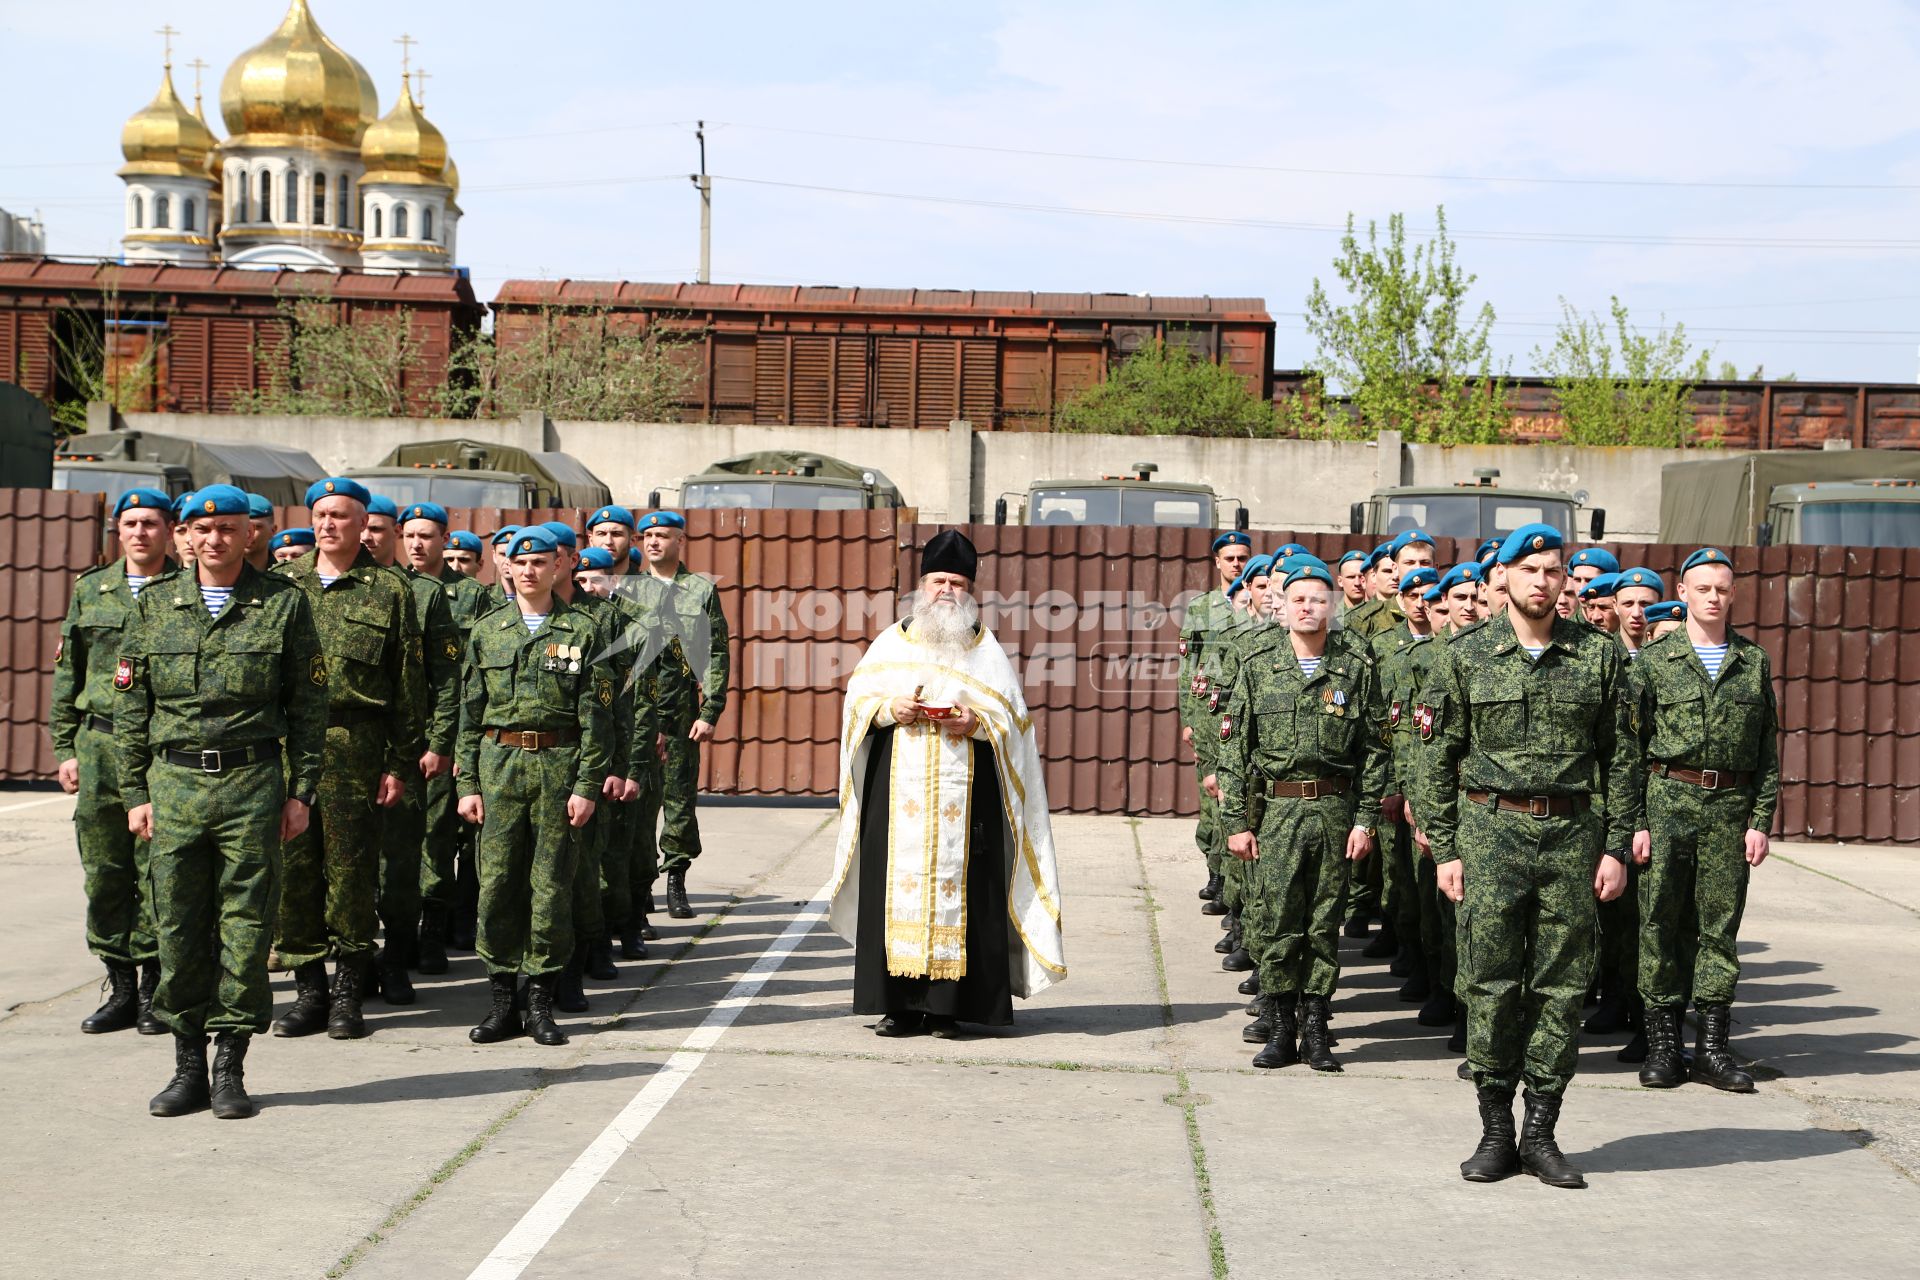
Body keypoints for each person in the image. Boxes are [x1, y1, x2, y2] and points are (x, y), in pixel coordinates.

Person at [1420, 522, 1633, 1190]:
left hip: (1571, 838)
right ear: (1504, 577)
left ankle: (1540, 1131)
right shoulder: (1466, 654)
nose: (1543, 580)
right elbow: (1436, 757)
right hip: (1488, 834)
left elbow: (1622, 758)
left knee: (1561, 988)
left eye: (1553, 570)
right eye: (1531, 569)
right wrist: (1445, 850)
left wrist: (1617, 847)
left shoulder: (1598, 657)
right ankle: (1494, 1131)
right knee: (1488, 982)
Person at [118, 484, 326, 1119]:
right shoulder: (153, 607)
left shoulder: (284, 605)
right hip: (173, 786)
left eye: (228, 529)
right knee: (177, 925)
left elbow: (308, 706)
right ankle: (187, 1067)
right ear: (185, 535)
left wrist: (302, 792)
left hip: (252, 785)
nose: (214, 540)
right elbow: (132, 705)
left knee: (245, 926)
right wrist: (135, 792)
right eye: (201, 530)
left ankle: (230, 1064)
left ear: (250, 534)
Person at [828, 529, 1066, 1038]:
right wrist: (889, 710)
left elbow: (1015, 725)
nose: (946, 591)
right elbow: (856, 706)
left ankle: (949, 1008)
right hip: (896, 792)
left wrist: (976, 724)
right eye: (938, 580)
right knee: (892, 889)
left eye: (957, 582)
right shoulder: (891, 641)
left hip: (969, 797)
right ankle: (899, 1006)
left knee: (969, 894)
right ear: (921, 585)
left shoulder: (986, 649)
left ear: (971, 590)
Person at [268, 478, 425, 1042]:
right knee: (294, 874)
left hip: (356, 747)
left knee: (352, 874)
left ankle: (347, 993)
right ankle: (309, 990)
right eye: (321, 514)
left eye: (341, 516)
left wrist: (401, 763)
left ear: (364, 525)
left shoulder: (390, 590)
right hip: (288, 749)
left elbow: (407, 684)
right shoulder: (281, 585)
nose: (328, 524)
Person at [1219, 561, 1384, 1071]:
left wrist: (1365, 819)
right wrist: (1237, 823)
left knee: (1323, 920)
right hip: (1277, 811)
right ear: (1282, 606)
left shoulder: (1356, 665)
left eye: (1317, 599)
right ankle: (1280, 1027)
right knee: (1276, 920)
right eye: (1298, 600)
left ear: (1332, 606)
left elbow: (1375, 749)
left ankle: (1316, 1026)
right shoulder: (1257, 662)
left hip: (1334, 809)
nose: (1307, 607)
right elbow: (1232, 750)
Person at [1625, 547, 1778, 1093]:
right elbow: (1631, 750)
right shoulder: (1650, 664)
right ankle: (1663, 1045)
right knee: (1659, 922)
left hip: (1730, 809)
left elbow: (1766, 751)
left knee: (1719, 927)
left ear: (1733, 594)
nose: (1714, 597)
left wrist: (1760, 819)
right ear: (1683, 593)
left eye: (1722, 588)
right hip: (1668, 799)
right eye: (1703, 588)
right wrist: (1635, 822)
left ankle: (1711, 1046)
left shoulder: (1752, 662)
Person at [457, 527, 613, 1047]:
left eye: (541, 563)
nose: (529, 571)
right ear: (507, 568)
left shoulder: (585, 631)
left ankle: (541, 1003)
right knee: (497, 883)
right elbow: (469, 715)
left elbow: (598, 719)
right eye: (520, 564)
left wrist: (587, 784)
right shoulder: (486, 631)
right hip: (499, 765)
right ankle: (503, 1001)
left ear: (560, 566)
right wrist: (469, 783)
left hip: (558, 765)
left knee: (550, 887)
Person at [51, 487, 177, 1036]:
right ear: (118, 531)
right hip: (99, 746)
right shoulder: (91, 590)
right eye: (130, 523)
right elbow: (67, 674)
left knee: (157, 872)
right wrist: (64, 748)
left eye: (150, 522)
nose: (140, 532)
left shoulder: (185, 591)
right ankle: (120, 985)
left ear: (169, 529)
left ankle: (153, 989)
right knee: (104, 872)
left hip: (158, 752)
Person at [620, 510, 729, 921]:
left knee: (679, 802)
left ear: (679, 540)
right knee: (638, 804)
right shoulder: (629, 588)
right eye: (646, 536)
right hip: (637, 715)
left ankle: (676, 879)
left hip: (681, 711)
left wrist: (711, 708)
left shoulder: (698, 589)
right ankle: (640, 886)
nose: (653, 542)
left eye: (662, 535)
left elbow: (716, 650)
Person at [402, 505, 493, 974]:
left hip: (447, 732)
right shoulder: (396, 589)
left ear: (444, 539)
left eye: (427, 536)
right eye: (410, 535)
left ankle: (433, 932)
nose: (417, 544)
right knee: (398, 840)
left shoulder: (474, 597)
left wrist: (461, 744)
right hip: (401, 734)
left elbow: (473, 676)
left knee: (439, 835)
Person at [1369, 566, 1440, 1003]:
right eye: (1412, 595)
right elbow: (1385, 725)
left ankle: (1433, 973)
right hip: (1401, 780)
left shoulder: (1449, 653)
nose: (1419, 602)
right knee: (1403, 879)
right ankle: (1412, 951)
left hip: (1431, 787)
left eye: (1426, 595)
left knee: (1425, 885)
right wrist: (1393, 783)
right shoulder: (1387, 648)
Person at [1182, 531, 1253, 910]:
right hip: (1208, 712)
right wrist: (1188, 718)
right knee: (1210, 799)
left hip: (1239, 710)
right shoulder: (1201, 607)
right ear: (1218, 562)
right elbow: (1188, 666)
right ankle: (1215, 869)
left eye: (1243, 557)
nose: (1237, 564)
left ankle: (1230, 880)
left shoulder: (1257, 602)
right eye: (1231, 558)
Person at [1614, 567, 1663, 658]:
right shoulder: (1599, 654)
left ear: (1659, 606)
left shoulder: (1671, 654)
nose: (1636, 614)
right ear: (1615, 606)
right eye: (1628, 604)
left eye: (1645, 604)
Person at [586, 505, 637, 578]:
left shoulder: (650, 588)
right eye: (601, 534)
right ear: (591, 540)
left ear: (632, 541)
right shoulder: (580, 587)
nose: (608, 542)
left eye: (616, 534)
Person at [244, 493, 276, 572]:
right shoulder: (220, 575)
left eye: (256, 527)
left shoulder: (288, 577)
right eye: (242, 528)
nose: (248, 534)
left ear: (272, 531)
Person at [1336, 549, 1370, 616]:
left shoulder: (1383, 613)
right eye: (1351, 577)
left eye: (1361, 577)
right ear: (1340, 581)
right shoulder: (1328, 614)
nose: (1357, 583)